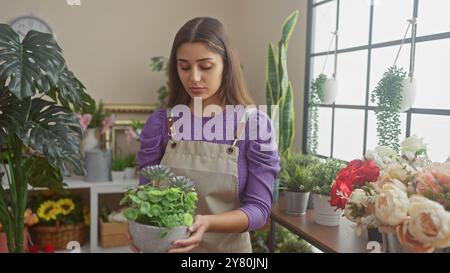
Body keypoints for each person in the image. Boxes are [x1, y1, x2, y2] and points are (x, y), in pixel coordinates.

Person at [136, 17, 280, 253]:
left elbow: (259, 210)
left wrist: (208, 222)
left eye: (205, 66)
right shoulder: (161, 124)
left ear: (226, 65)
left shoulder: (254, 125)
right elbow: (144, 194)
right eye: (184, 66)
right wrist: (137, 226)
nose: (193, 77)